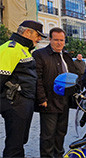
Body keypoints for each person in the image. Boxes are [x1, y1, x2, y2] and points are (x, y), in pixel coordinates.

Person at [0, 20, 45, 157]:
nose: (39, 39)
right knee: (14, 145)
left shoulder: (23, 49)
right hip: (14, 103)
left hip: (22, 103)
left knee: (20, 142)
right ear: (27, 32)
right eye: (38, 35)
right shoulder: (11, 49)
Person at [33, 27, 76, 157]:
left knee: (61, 133)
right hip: (49, 102)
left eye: (62, 40)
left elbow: (73, 75)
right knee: (48, 136)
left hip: (64, 101)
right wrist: (42, 99)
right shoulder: (40, 55)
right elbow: (37, 79)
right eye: (56, 40)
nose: (59, 43)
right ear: (50, 39)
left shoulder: (67, 55)